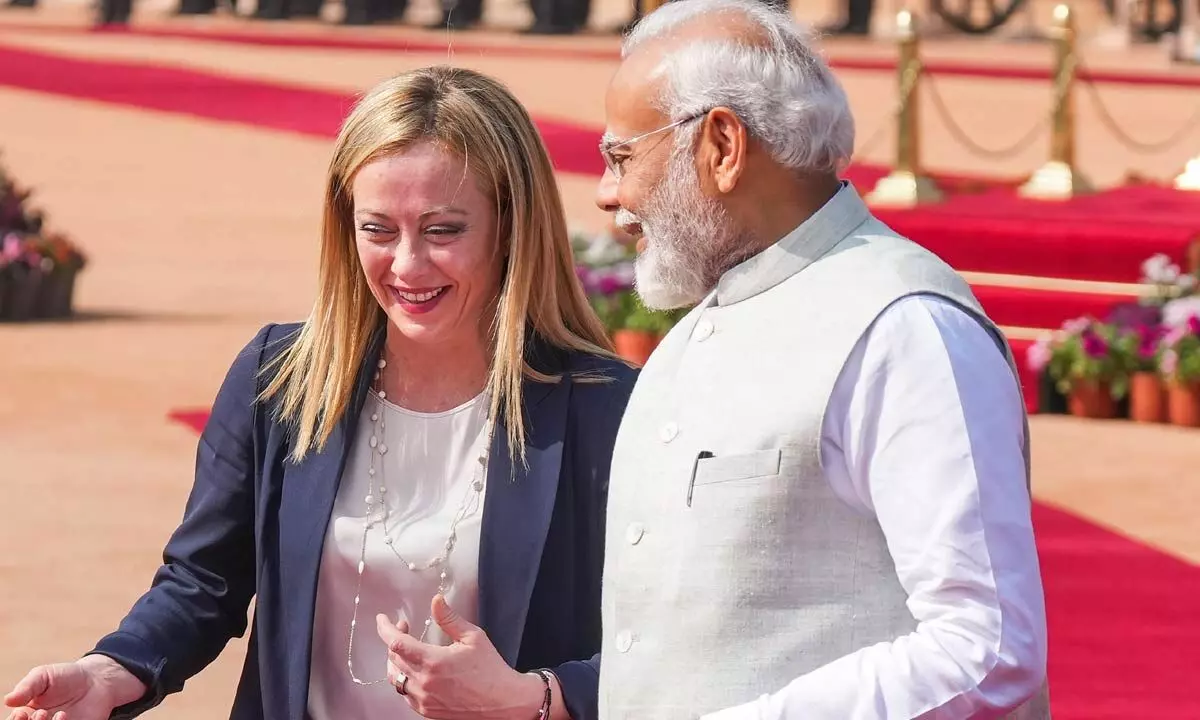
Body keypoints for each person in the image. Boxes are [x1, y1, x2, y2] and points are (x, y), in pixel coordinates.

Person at [5, 65, 636, 720]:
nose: (408, 265)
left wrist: (535, 699)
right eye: (378, 229)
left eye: (443, 229)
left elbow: (665, 647)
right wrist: (113, 670)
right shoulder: (278, 378)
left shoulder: (606, 407)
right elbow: (202, 583)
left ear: (510, 226)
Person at [593, 0, 1051, 717]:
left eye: (622, 156)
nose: (607, 193)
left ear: (721, 145)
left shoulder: (903, 327)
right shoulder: (706, 321)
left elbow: (984, 650)